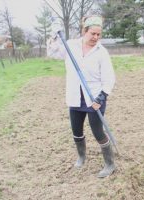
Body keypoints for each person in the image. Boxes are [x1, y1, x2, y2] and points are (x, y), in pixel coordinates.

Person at [48, 15, 116, 178]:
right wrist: (54, 36)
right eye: (93, 33)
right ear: (84, 31)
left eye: (99, 34)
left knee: (98, 132)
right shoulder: (70, 45)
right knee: (76, 131)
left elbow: (109, 77)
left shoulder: (101, 52)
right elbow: (52, 53)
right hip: (75, 96)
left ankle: (109, 163)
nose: (96, 37)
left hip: (94, 98)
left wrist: (102, 97)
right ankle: (81, 156)